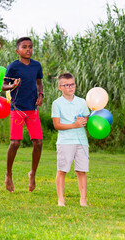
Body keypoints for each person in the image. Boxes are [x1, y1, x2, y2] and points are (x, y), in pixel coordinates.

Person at [1, 37, 44, 193]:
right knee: (15, 143)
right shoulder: (13, 66)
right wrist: (12, 85)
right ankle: (8, 173)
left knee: (38, 142)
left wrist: (41, 94)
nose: (28, 49)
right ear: (17, 51)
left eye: (30, 47)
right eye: (25, 47)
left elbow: (39, 82)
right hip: (17, 109)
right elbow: (4, 85)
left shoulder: (36, 66)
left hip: (32, 109)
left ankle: (32, 173)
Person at [52, 73, 90, 207]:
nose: (70, 87)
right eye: (66, 85)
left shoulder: (82, 102)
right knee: (62, 170)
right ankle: (61, 199)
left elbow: (87, 119)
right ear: (60, 87)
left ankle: (83, 200)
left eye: (72, 84)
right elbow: (57, 125)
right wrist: (74, 125)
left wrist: (84, 120)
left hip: (81, 141)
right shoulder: (57, 104)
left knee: (81, 171)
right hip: (65, 141)